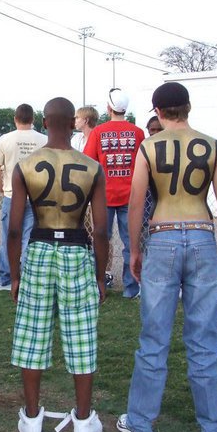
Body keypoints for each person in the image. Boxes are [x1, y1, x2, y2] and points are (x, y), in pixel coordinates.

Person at [116, 82, 217, 432]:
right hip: (200, 232)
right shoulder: (211, 144)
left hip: (163, 234)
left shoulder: (148, 146)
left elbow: (136, 202)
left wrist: (135, 249)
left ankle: (140, 421)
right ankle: (214, 424)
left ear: (157, 111)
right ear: (188, 107)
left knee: (154, 334)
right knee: (203, 336)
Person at [10, 97, 108, 432]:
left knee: (32, 334)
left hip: (38, 248)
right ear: (72, 123)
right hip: (76, 249)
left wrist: (15, 274)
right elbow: (101, 230)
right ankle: (83, 422)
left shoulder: (26, 166)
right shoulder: (91, 167)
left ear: (45, 122)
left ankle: (32, 418)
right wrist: (100, 274)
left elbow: (13, 229)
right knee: (81, 334)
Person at [84, 88, 145, 299]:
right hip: (131, 196)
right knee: (132, 243)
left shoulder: (98, 132)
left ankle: (97, 284)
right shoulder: (137, 133)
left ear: (109, 107)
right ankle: (131, 288)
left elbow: (88, 162)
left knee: (100, 241)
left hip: (103, 196)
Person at [0, 104, 48, 291]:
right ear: (33, 119)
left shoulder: (5, 139)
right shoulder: (43, 139)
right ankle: (29, 278)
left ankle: (5, 278)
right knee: (30, 239)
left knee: (9, 238)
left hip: (12, 195)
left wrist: (1, 186)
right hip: (36, 196)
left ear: (15, 119)